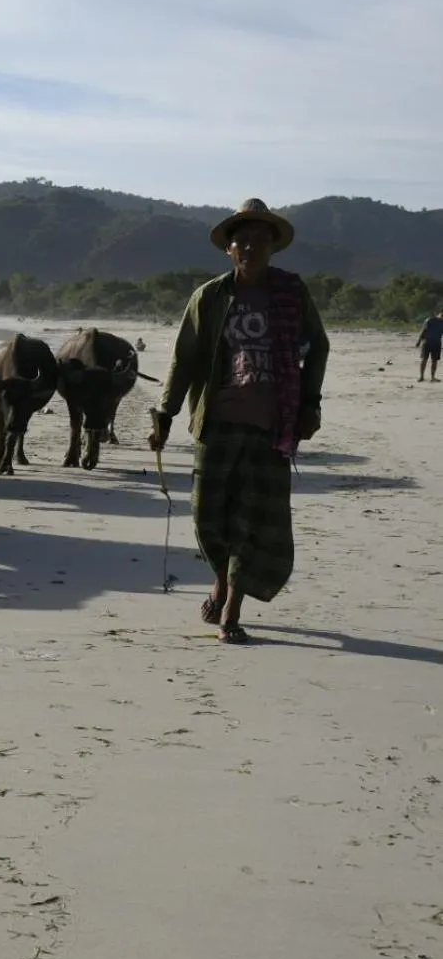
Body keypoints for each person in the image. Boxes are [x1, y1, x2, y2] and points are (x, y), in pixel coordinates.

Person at [148, 199, 330, 644]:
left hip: (272, 425)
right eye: (240, 241)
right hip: (217, 423)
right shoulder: (209, 297)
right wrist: (166, 413)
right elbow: (185, 357)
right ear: (228, 249)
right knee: (208, 517)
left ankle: (232, 607)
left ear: (273, 247)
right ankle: (221, 578)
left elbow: (318, 346)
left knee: (252, 517)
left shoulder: (291, 293)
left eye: (258, 241)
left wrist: (310, 405)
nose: (249, 248)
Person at [416, 309, 443, 382]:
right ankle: (421, 377)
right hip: (427, 343)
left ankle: (432, 377)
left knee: (434, 361)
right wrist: (418, 341)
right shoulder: (429, 320)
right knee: (424, 359)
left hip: (437, 343)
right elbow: (423, 331)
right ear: (439, 313)